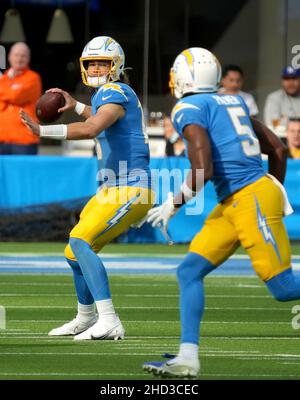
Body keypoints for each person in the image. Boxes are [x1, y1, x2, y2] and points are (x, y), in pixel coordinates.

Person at [142, 47, 299, 378]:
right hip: (236, 201)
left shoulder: (188, 106)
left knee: (284, 288)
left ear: (184, 77)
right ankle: (188, 358)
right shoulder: (233, 100)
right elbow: (277, 147)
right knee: (189, 271)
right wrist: (271, 188)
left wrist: (173, 203)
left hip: (248, 197)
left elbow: (203, 168)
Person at [20, 36, 154, 340]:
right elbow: (100, 119)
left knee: (81, 241)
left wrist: (43, 131)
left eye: (102, 63)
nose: (95, 67)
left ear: (115, 65)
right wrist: (76, 104)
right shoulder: (106, 96)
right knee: (72, 252)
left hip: (131, 187)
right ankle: (86, 316)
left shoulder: (115, 90)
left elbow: (93, 128)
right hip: (112, 188)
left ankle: (109, 319)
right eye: (91, 62)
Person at [0, 42, 42, 154]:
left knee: (24, 172)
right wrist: (9, 90)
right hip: (2, 139)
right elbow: (11, 94)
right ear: (9, 57)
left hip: (24, 140)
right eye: (16, 55)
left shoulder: (33, 78)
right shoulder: (4, 77)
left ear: (28, 58)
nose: (19, 59)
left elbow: (15, 96)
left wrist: (5, 92)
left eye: (23, 56)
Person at [264, 65, 300, 129]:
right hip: (280, 138)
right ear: (282, 81)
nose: (291, 83)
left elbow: (277, 123)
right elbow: (271, 124)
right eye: (287, 79)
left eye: (294, 78)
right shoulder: (274, 98)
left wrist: (285, 119)